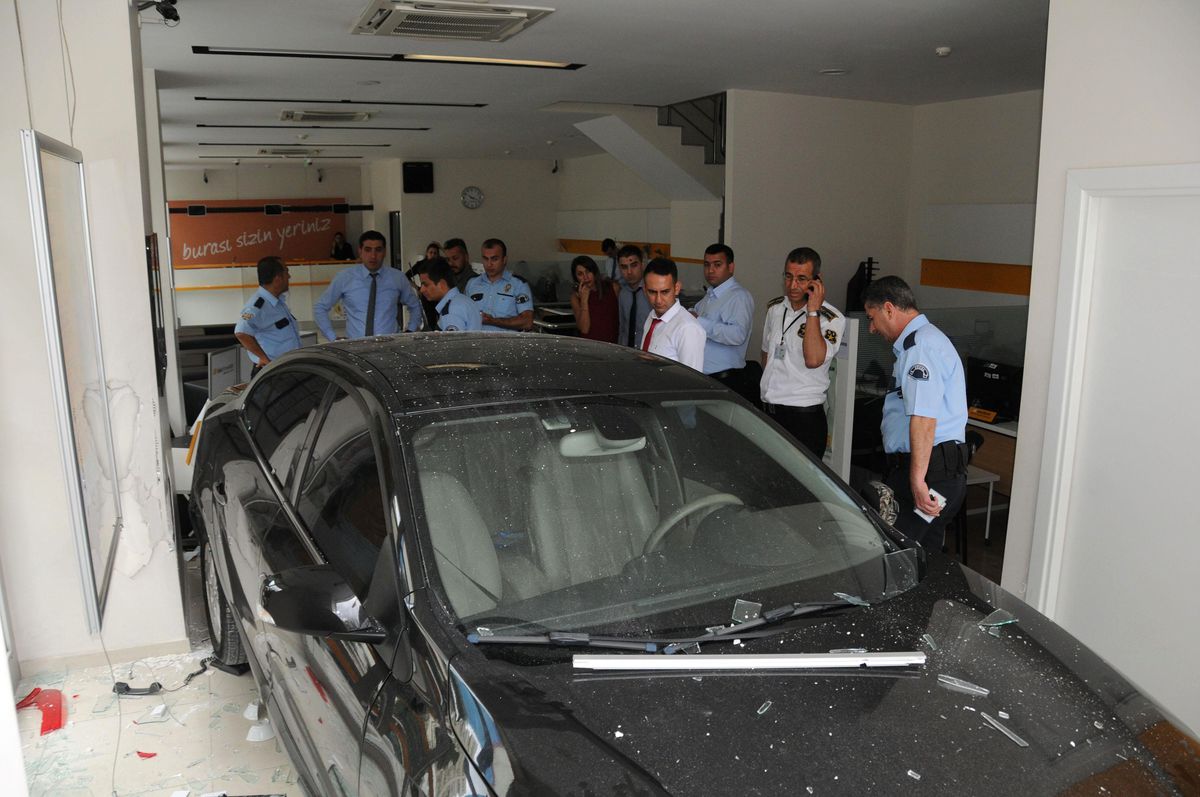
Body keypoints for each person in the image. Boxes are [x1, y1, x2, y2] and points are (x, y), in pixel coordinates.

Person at [863, 275, 968, 551]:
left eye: (872, 318)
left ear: (889, 308)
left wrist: (918, 482)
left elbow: (923, 418)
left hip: (930, 475)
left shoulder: (920, 348)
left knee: (897, 554)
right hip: (933, 470)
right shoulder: (925, 341)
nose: (872, 328)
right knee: (923, 556)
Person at [759, 247, 845, 458]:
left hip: (803, 418)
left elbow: (814, 359)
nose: (792, 285)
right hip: (769, 411)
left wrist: (813, 311)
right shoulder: (775, 309)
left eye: (801, 278)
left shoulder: (830, 318)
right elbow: (765, 354)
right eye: (788, 277)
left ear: (816, 281)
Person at [313, 230, 422, 340]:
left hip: (389, 346)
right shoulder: (345, 277)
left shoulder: (397, 278)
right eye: (368, 250)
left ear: (384, 252)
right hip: (356, 347)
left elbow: (415, 305)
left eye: (378, 250)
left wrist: (410, 331)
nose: (373, 256)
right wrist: (333, 338)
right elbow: (320, 307)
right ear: (360, 251)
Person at [692, 243, 755, 400]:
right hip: (707, 378)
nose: (710, 270)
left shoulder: (739, 296)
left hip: (726, 380)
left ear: (731, 267)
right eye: (707, 265)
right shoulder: (709, 295)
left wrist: (700, 322)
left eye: (717, 265)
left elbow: (738, 335)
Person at [234, 256, 302, 376]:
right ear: (277, 279)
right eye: (286, 272)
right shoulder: (257, 305)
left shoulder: (278, 301)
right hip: (271, 373)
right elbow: (241, 332)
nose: (289, 277)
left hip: (286, 369)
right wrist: (264, 358)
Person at [640, 258, 705, 370]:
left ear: (677, 288)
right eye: (652, 292)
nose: (658, 300)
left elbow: (692, 382)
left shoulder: (688, 329)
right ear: (644, 290)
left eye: (665, 292)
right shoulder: (652, 316)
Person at [466, 238, 534, 332]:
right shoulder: (472, 283)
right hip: (478, 344)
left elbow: (527, 322)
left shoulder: (518, 284)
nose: (489, 264)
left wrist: (493, 321)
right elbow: (464, 316)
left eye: (494, 259)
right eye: (486, 259)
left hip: (507, 344)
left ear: (504, 260)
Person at [414, 258, 483, 331]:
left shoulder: (451, 309)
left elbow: (452, 342)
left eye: (426, 285)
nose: (422, 290)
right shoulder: (464, 301)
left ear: (442, 284)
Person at [569, 255, 619, 343]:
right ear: (576, 278)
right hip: (590, 346)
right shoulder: (575, 297)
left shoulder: (612, 288)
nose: (585, 277)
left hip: (613, 345)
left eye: (588, 271)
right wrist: (584, 300)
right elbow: (584, 329)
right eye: (580, 274)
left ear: (594, 271)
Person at [616, 244, 651, 348]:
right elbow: (622, 328)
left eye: (634, 265)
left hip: (649, 354)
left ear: (642, 265)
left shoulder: (652, 291)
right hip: (627, 353)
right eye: (624, 267)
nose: (629, 272)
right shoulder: (623, 294)